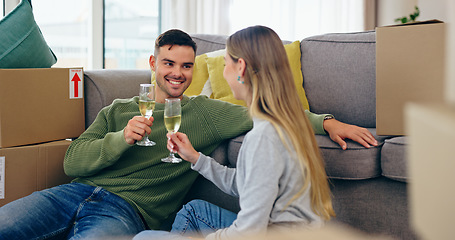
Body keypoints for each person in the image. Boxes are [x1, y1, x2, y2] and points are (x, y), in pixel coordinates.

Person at [0, 29, 376, 240]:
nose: (177, 73)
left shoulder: (206, 113)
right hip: (73, 192)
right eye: (168, 63)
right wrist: (121, 138)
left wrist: (327, 122)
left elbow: (270, 111)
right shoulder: (118, 109)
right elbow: (71, 161)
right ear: (153, 64)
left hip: (128, 211)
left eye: (186, 66)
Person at [133, 25, 337, 240]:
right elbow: (244, 183)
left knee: (144, 238)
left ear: (241, 68)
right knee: (194, 210)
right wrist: (195, 157)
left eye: (225, 64)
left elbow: (249, 232)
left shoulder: (264, 137)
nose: (223, 72)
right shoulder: (282, 121)